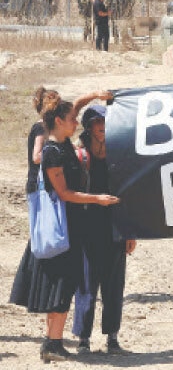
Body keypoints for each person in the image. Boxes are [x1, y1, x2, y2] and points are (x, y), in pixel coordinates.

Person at [10, 99, 119, 363]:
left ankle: (52, 341)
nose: (76, 122)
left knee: (64, 284)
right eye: (71, 118)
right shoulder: (52, 152)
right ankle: (53, 343)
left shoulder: (65, 145)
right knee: (61, 285)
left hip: (72, 226)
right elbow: (64, 193)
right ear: (58, 121)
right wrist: (97, 199)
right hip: (62, 228)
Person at [72, 105, 137, 355]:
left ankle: (112, 337)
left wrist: (130, 231)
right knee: (87, 285)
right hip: (88, 229)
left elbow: (128, 194)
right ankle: (83, 339)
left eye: (106, 122)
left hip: (115, 229)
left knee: (114, 285)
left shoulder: (119, 154)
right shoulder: (80, 156)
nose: (103, 127)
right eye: (98, 122)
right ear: (89, 126)